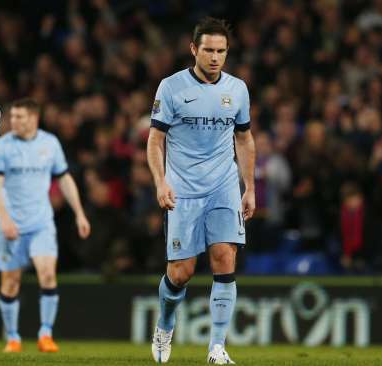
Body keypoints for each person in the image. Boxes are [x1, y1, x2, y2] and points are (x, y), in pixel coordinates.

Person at [147, 17, 255, 364]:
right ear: (194, 49)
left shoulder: (237, 89)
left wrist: (249, 187)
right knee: (182, 272)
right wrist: (160, 181)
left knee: (224, 257)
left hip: (223, 186)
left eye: (221, 51)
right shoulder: (171, 87)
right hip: (183, 190)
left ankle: (217, 348)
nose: (214, 57)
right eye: (208, 50)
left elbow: (244, 138)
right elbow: (155, 140)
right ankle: (165, 325)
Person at [0, 98, 90, 353]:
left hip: (41, 223)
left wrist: (79, 213)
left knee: (47, 274)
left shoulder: (50, 143)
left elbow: (64, 179)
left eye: (20, 117)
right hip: (10, 226)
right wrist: (5, 218)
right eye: (13, 117)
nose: (14, 121)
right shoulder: (1, 147)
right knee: (11, 282)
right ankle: (13, 338)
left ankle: (45, 334)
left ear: (34, 118)